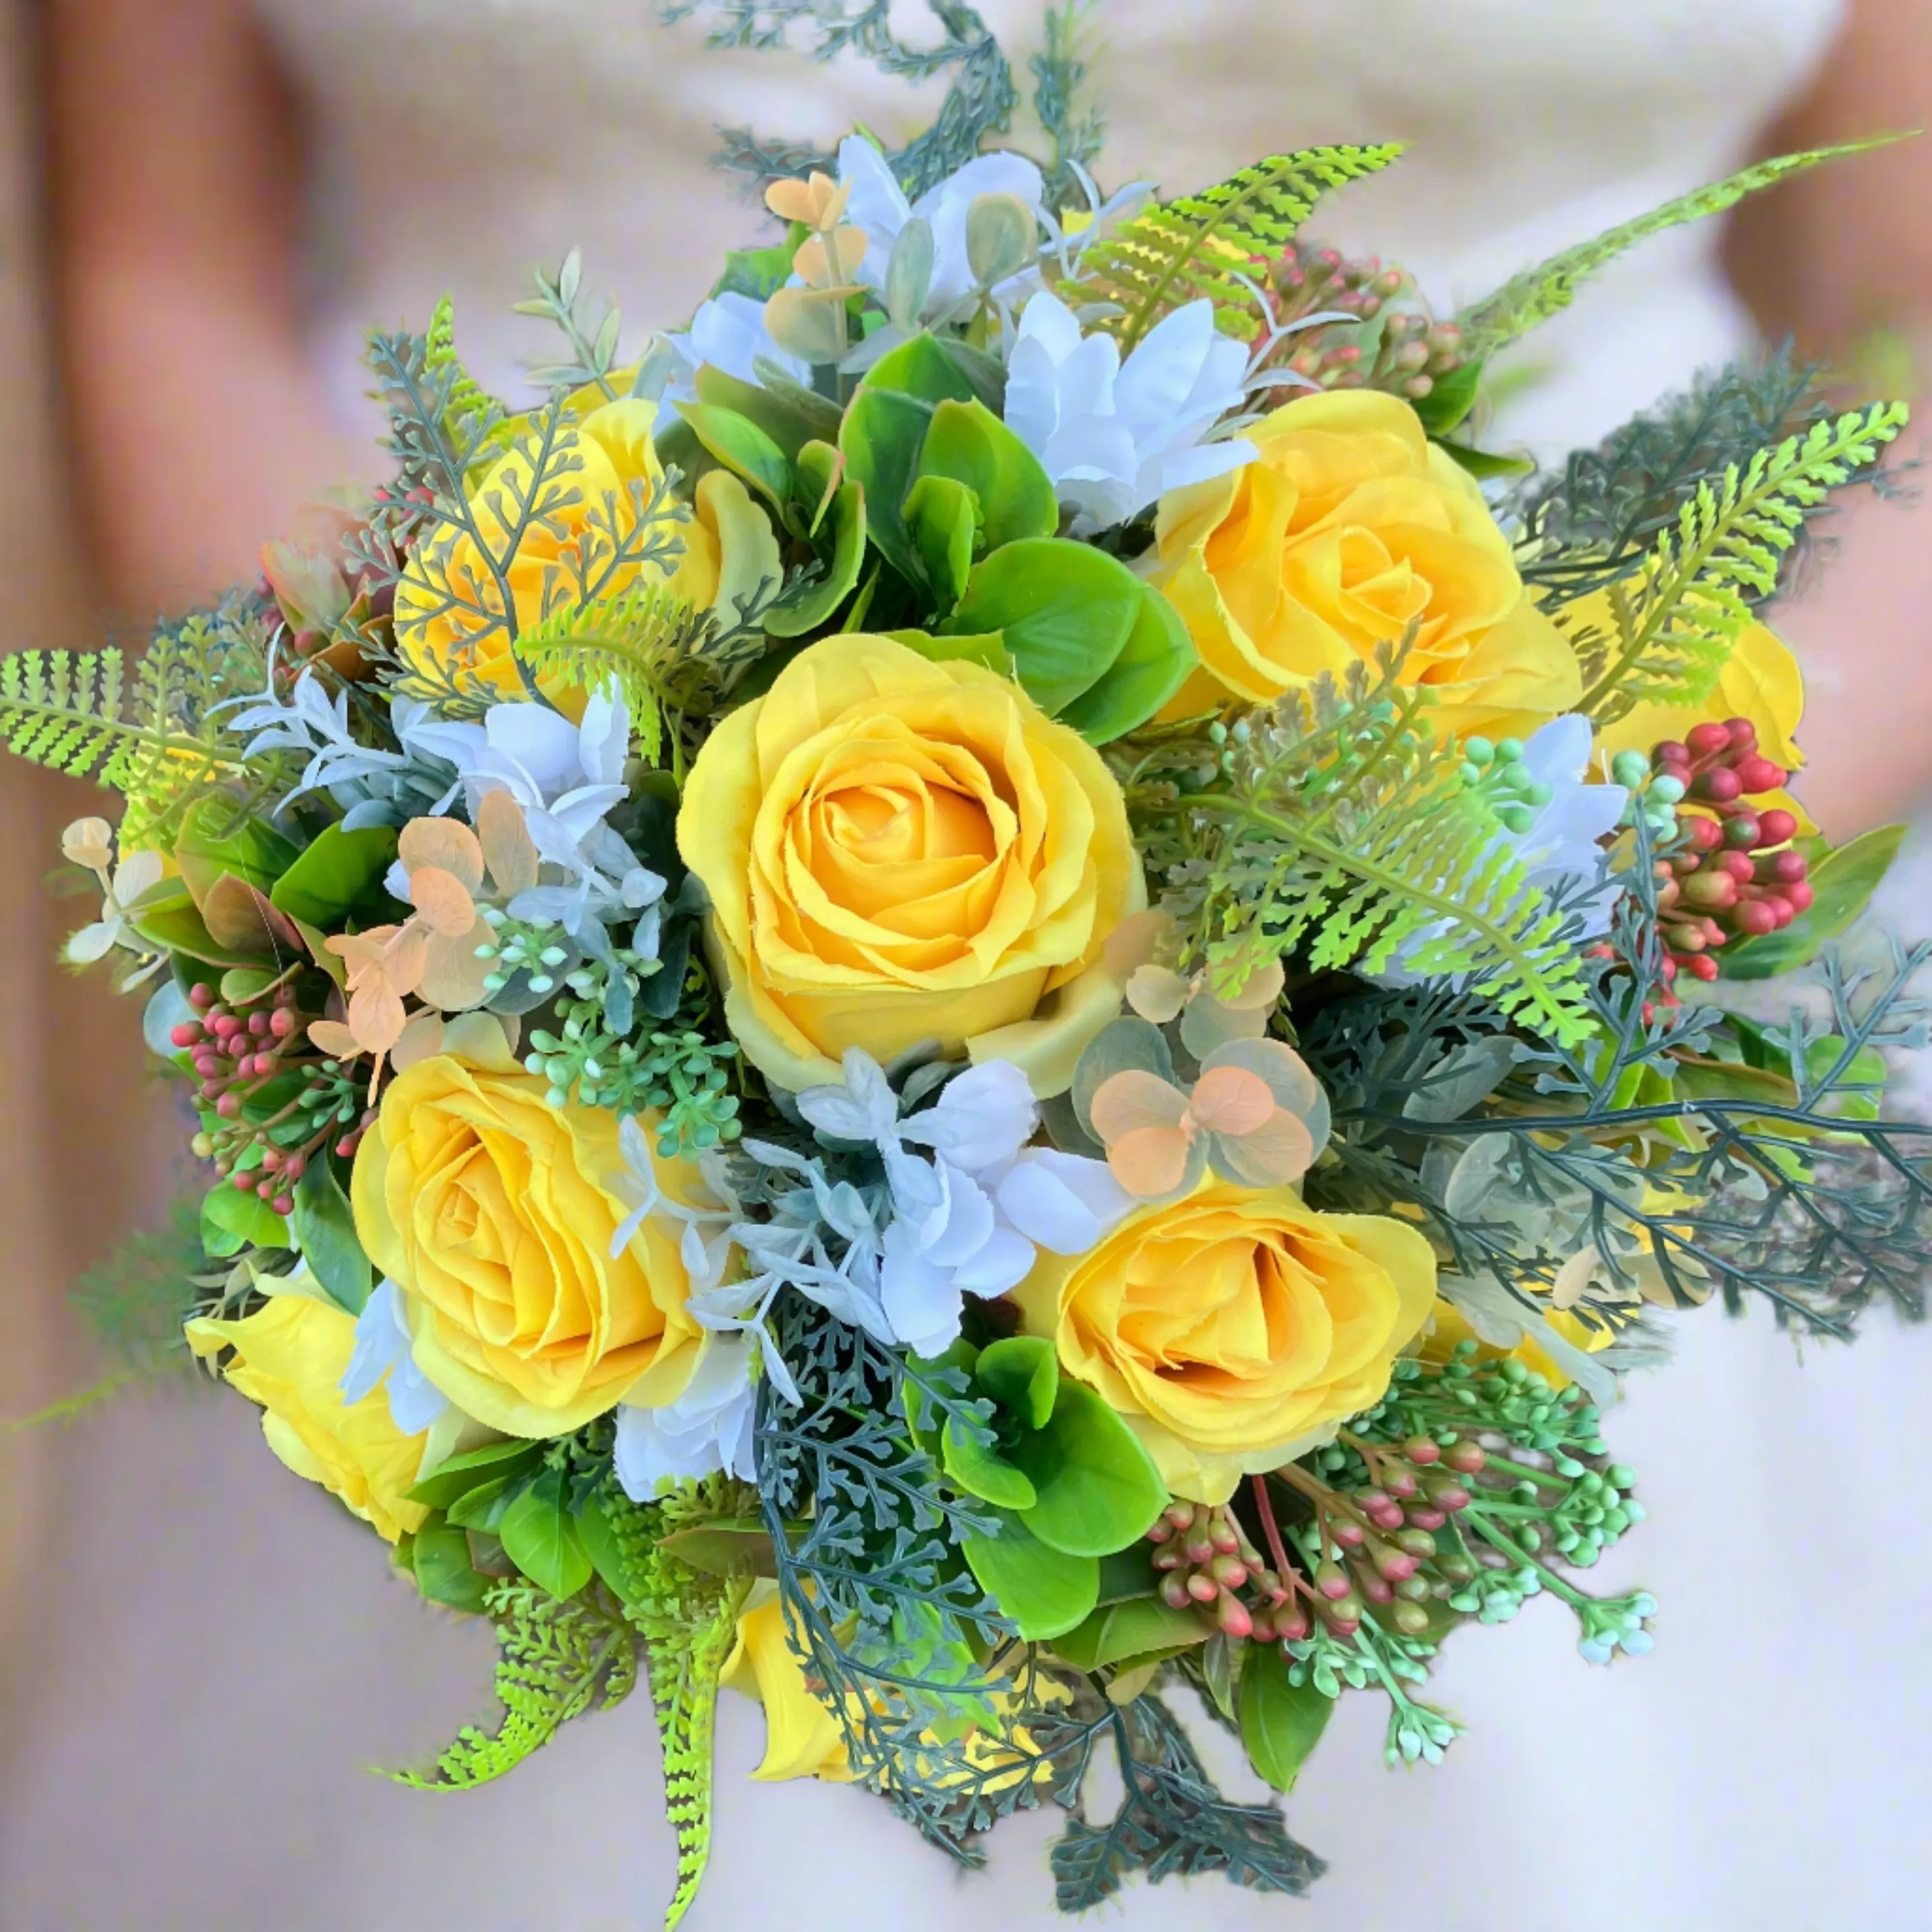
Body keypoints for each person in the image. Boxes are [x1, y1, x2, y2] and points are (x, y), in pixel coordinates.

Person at [4, 3, 1927, 1928]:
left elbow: (1904, 301)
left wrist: (1560, 926)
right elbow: (163, 277)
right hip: (517, 1015)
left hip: (1591, 1015)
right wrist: (450, 877)